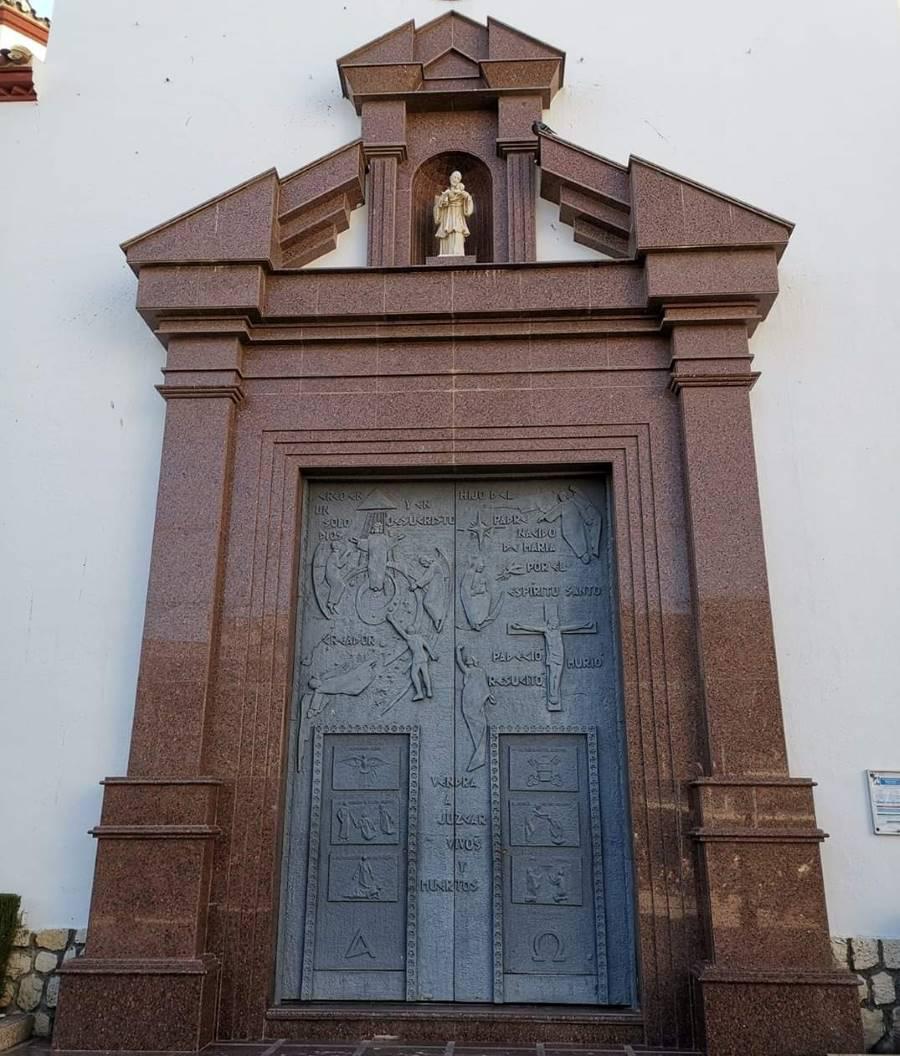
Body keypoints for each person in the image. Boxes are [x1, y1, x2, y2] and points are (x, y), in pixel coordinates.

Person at [433, 171, 475, 257]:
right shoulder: (446, 192)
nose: (455, 179)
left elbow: (468, 202)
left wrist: (465, 196)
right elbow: (438, 205)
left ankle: (457, 253)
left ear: (460, 180)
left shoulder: (462, 193)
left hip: (457, 215)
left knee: (457, 231)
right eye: (454, 177)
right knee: (445, 233)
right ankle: (445, 253)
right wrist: (442, 202)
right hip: (446, 215)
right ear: (450, 178)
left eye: (458, 178)